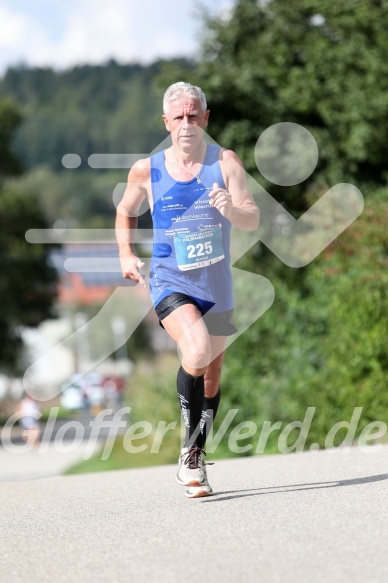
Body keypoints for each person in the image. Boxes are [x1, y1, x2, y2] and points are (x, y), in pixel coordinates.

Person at [116, 82, 259, 498]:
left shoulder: (226, 163)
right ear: (166, 122)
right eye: (178, 117)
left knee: (211, 374)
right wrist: (126, 254)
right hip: (169, 280)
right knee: (195, 351)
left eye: (193, 115)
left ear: (205, 119)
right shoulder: (147, 170)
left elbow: (251, 218)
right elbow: (126, 210)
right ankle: (190, 455)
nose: (186, 123)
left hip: (216, 285)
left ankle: (197, 448)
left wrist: (231, 209)